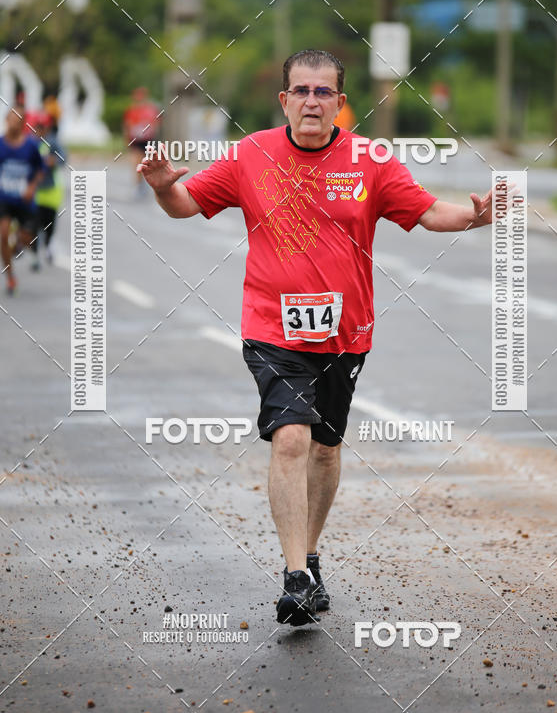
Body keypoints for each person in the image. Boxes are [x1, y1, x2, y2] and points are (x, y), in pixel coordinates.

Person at [138, 49, 494, 627]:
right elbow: (185, 205)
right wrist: (160, 187)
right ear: (284, 100)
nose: (310, 101)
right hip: (272, 328)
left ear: (339, 101)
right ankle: (295, 577)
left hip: (346, 333)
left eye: (322, 92)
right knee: (292, 440)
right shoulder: (250, 155)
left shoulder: (370, 160)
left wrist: (475, 216)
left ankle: (309, 553)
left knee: (326, 448)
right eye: (300, 91)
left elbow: (428, 212)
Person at [0, 105, 45, 294]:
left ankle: (19, 241)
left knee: (27, 238)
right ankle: (10, 278)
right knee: (2, 235)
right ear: (6, 120)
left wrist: (32, 187)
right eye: (12, 119)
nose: (14, 123)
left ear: (23, 123)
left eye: (19, 120)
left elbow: (41, 170)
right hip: (4, 199)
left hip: (25, 200)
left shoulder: (31, 146)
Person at [26, 109, 66, 269]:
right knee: (32, 225)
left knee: (49, 223)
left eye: (43, 127)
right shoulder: (29, 142)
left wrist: (53, 161)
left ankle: (49, 245)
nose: (40, 130)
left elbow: (63, 158)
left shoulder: (53, 142)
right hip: (33, 192)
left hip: (50, 191)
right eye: (37, 126)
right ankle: (34, 254)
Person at [123, 87, 161, 197]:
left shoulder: (151, 110)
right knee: (137, 162)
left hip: (148, 140)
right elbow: (127, 125)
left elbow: (156, 124)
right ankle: (139, 185)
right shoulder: (131, 111)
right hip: (136, 140)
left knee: (148, 164)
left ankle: (147, 184)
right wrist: (127, 139)